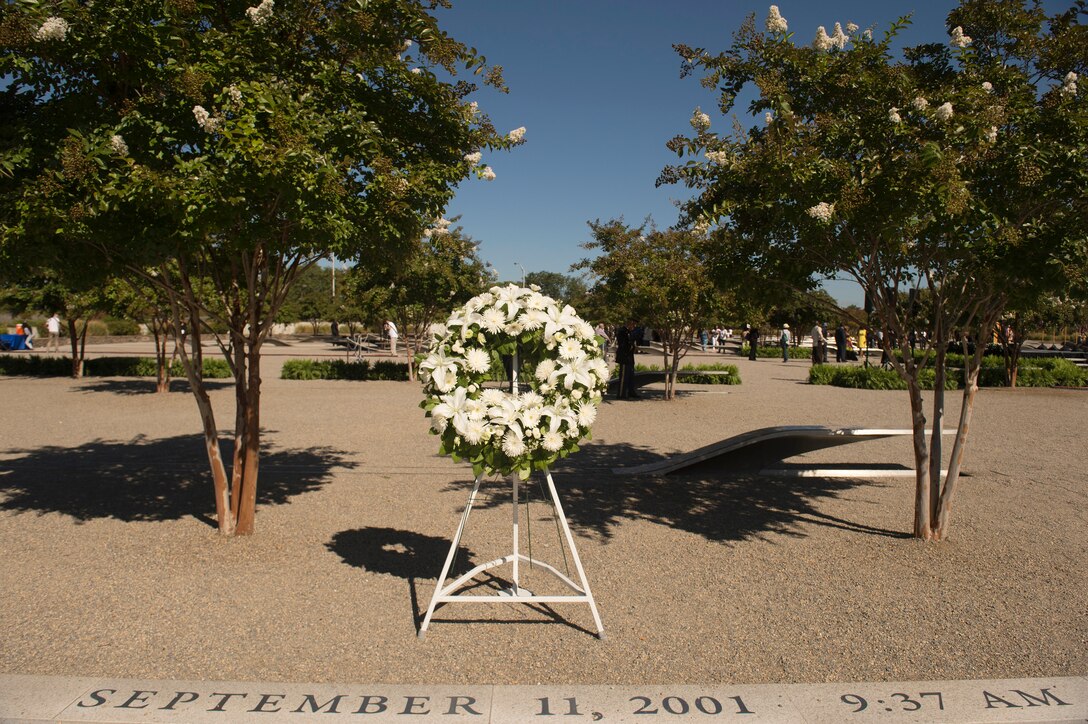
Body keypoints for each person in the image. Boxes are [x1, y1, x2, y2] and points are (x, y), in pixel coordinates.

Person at [614, 319, 639, 399]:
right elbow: (623, 344)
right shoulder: (622, 332)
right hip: (624, 356)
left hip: (629, 356)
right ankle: (621, 394)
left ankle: (631, 391)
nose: (634, 327)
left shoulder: (629, 332)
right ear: (629, 323)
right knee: (624, 376)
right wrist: (631, 344)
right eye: (633, 325)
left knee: (630, 375)